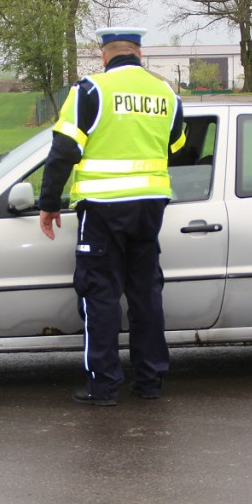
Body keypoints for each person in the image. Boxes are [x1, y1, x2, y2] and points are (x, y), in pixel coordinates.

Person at [38, 27, 186, 406]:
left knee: (100, 295)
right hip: (151, 206)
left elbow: (63, 150)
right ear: (139, 53)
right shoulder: (166, 93)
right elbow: (179, 144)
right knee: (145, 294)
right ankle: (150, 382)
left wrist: (49, 202)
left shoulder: (90, 90)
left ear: (104, 56)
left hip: (102, 209)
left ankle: (103, 387)